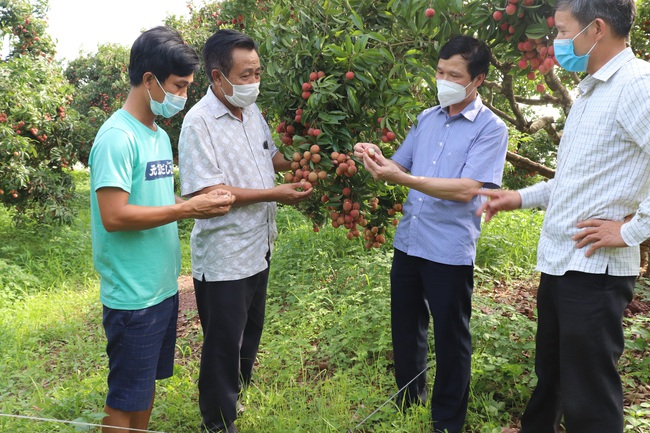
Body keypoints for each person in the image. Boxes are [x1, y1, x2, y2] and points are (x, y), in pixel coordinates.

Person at [477, 1, 650, 432]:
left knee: (588, 397)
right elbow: (570, 181)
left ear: (595, 29)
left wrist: (632, 231)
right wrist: (517, 198)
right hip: (561, 263)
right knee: (550, 379)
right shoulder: (592, 91)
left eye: (560, 30)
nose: (554, 43)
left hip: (595, 272)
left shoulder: (637, 85)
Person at [354, 36, 508, 433]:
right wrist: (376, 157)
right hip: (411, 241)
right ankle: (409, 399)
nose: (444, 80)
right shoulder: (427, 118)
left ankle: (447, 420)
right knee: (406, 327)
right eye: (440, 72)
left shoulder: (491, 129)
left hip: (449, 248)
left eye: (454, 75)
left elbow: (467, 189)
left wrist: (403, 176)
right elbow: (399, 165)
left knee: (452, 336)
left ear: (478, 80)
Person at [89, 26, 235, 433]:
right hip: (133, 294)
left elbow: (153, 201)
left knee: (145, 387)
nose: (183, 97)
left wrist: (195, 206)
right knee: (124, 397)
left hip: (162, 287)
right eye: (179, 86)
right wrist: (187, 209)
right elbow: (114, 215)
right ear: (149, 79)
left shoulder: (154, 134)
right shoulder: (118, 138)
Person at [178, 29, 312, 433]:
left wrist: (306, 165)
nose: (254, 82)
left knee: (248, 334)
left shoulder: (251, 112)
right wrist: (275, 193)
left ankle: (234, 398)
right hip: (225, 255)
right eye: (246, 74)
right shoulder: (198, 123)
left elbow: (273, 158)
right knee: (223, 344)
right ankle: (217, 424)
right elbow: (210, 191)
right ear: (218, 77)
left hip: (258, 246)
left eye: (257, 72)